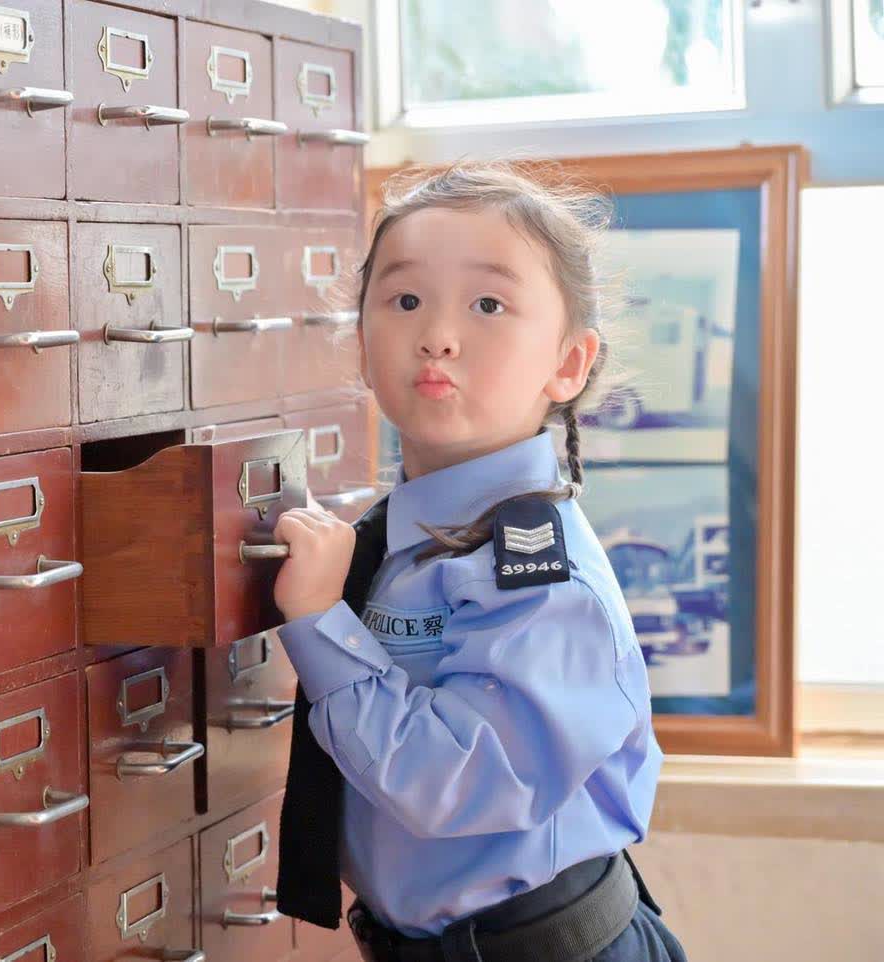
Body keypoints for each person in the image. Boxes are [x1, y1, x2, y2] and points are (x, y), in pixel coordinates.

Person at [270, 162, 688, 962]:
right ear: (361, 346)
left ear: (569, 364)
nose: (437, 335)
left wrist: (322, 624)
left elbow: (451, 782)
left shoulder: (543, 580)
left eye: (488, 305)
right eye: (405, 300)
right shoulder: (403, 536)